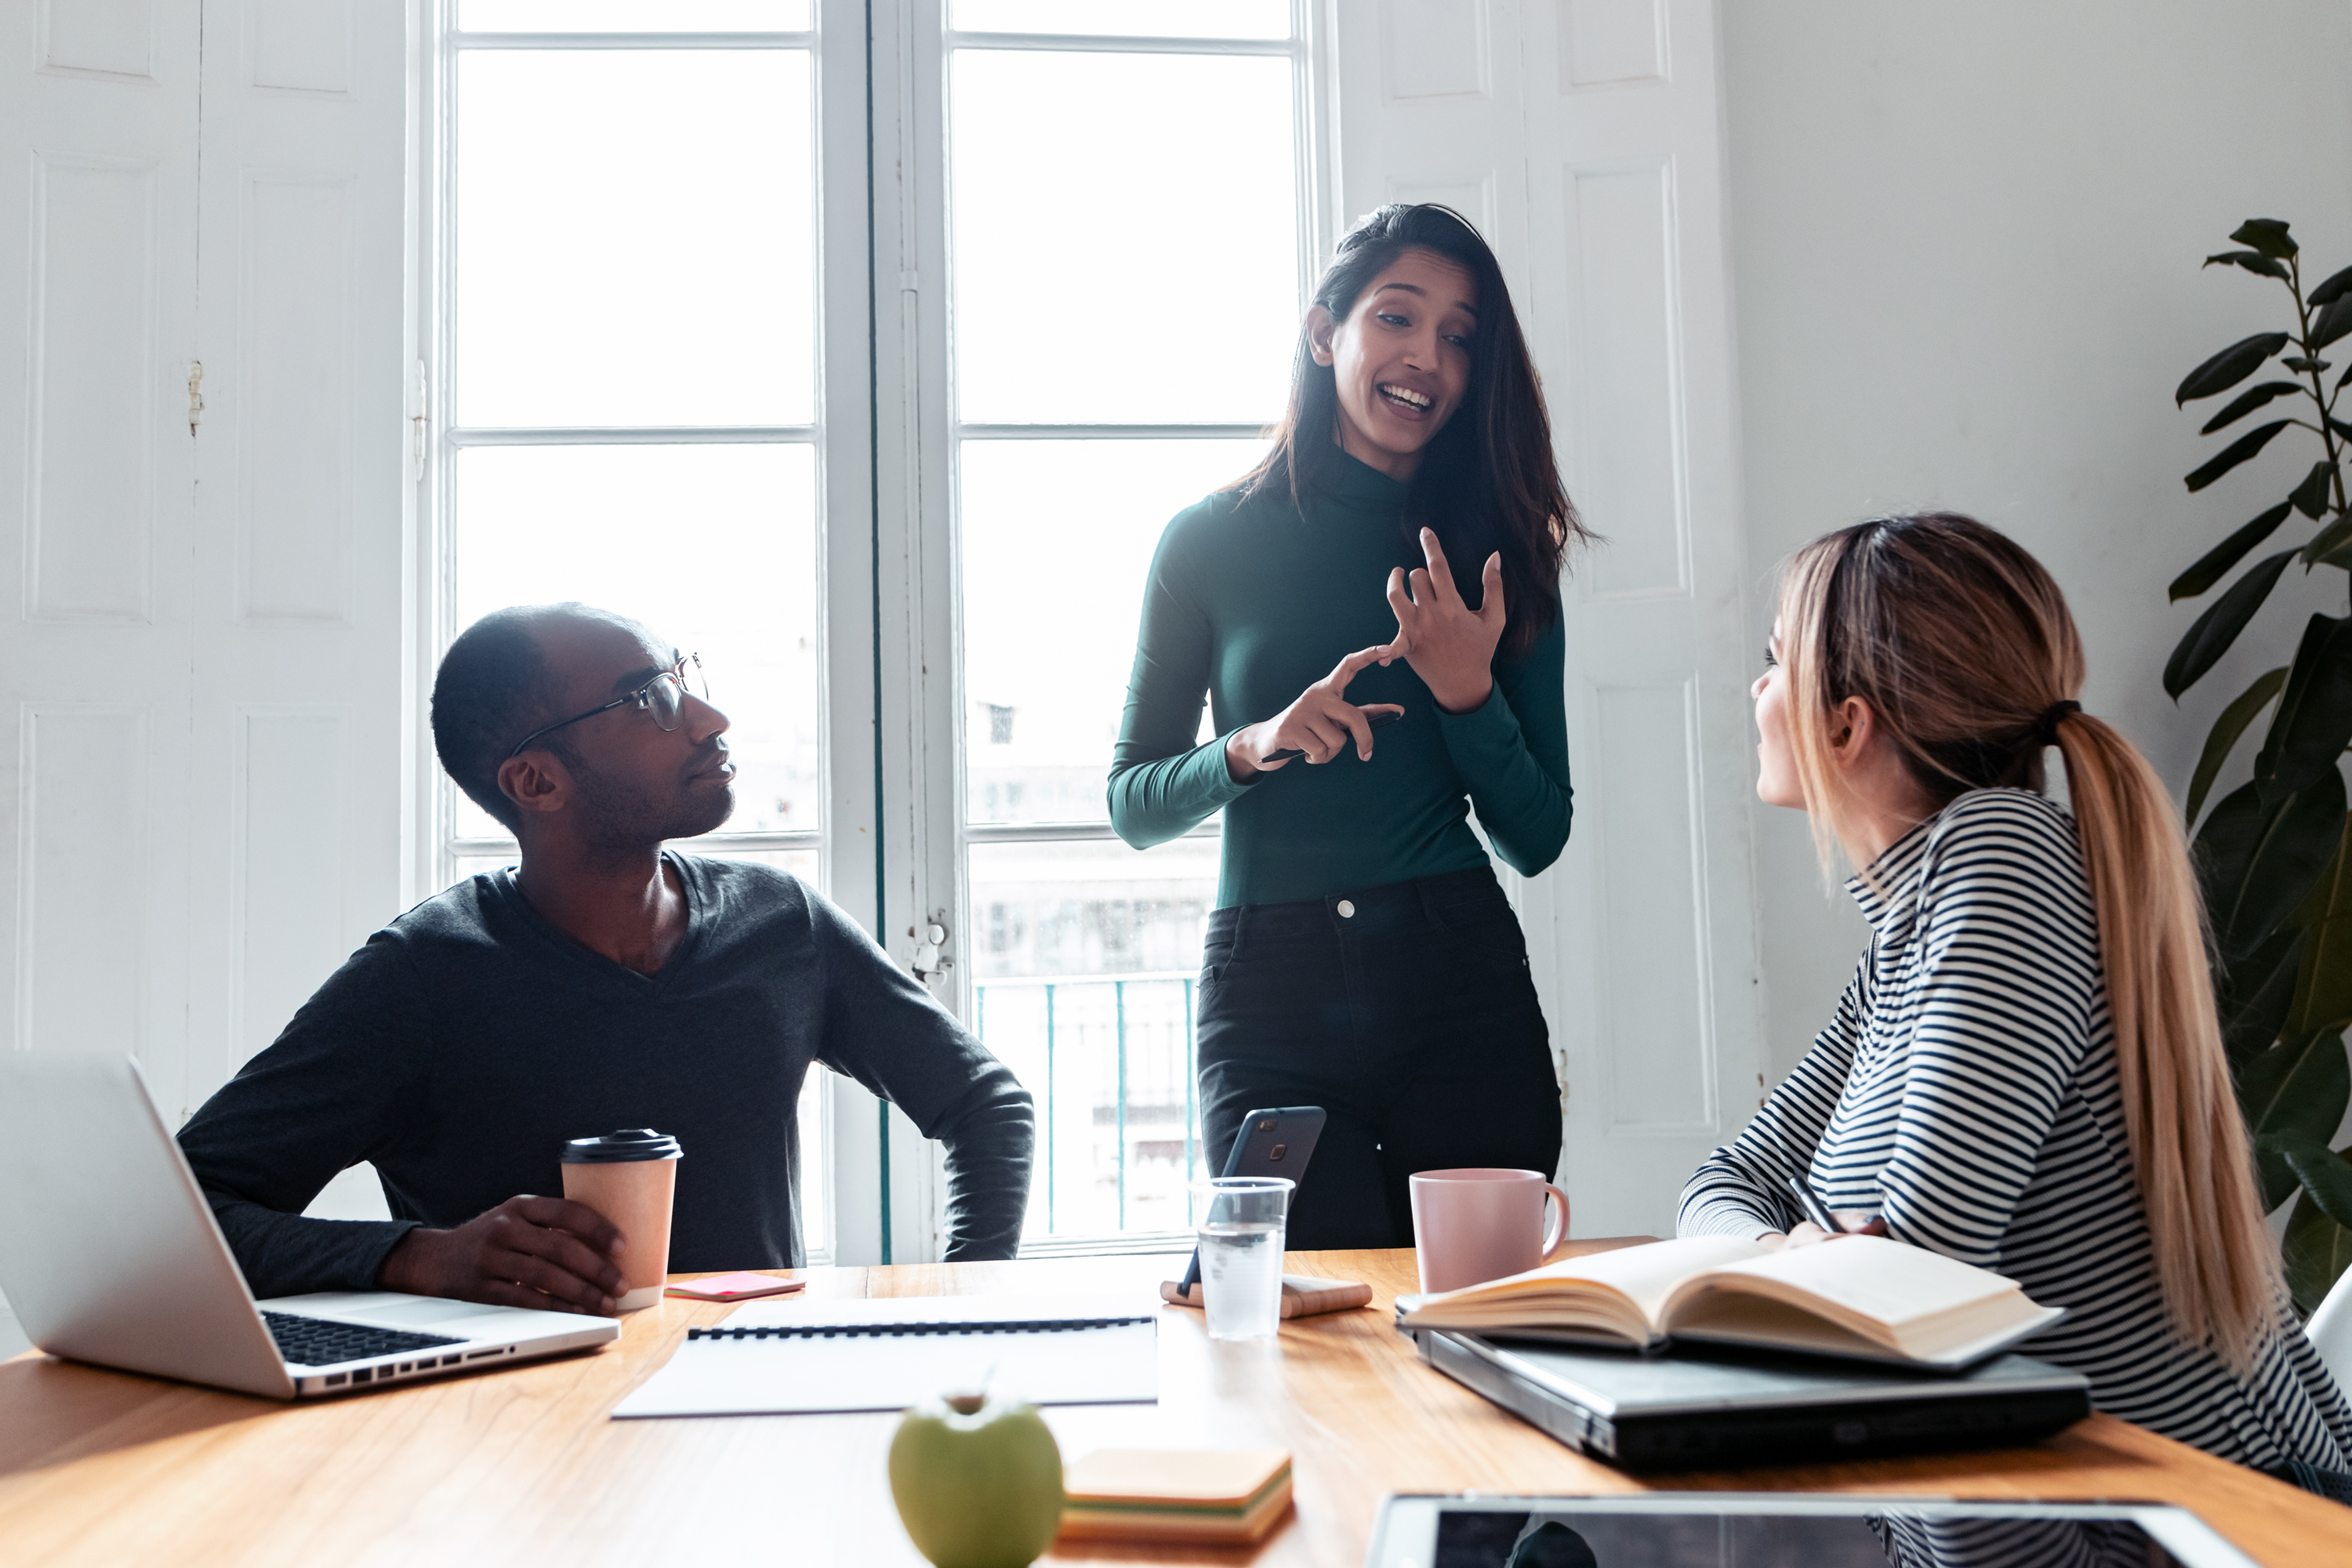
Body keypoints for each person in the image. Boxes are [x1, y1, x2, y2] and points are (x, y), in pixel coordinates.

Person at [1679, 513, 2351, 1487]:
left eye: (1775, 658)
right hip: (2074, 1517)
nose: (1756, 686)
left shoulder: (2005, 857)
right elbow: (1725, 1180)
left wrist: (1800, 1261)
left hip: (2235, 1526)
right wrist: (1793, 1250)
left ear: (1847, 721)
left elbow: (1917, 1280)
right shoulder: (1903, 948)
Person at [179, 604, 1034, 1314]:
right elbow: (181, 1218)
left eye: (683, 679)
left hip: (756, 1409)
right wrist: (418, 1256)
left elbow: (987, 1104)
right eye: (649, 699)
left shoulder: (783, 922)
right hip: (512, 1441)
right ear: (537, 782)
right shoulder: (422, 975)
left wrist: (965, 1301)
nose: (709, 718)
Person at [1109, 204, 1589, 1248]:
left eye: (1460, 338)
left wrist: (1466, 691)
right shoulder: (1205, 542)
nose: (1428, 358)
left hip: (1458, 981)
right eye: (1399, 319)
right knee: (1313, 1353)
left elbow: (1539, 835)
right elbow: (1131, 802)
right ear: (1327, 332)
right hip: (1268, 993)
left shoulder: (1504, 552)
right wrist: (1255, 743)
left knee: (1479, 1333)